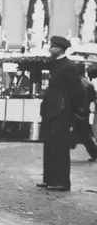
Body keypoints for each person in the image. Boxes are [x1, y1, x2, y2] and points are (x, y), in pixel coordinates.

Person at [37, 36, 85, 192]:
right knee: (49, 145)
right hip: (51, 110)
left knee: (60, 146)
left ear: (59, 48)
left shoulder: (68, 66)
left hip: (62, 111)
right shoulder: (54, 64)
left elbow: (77, 90)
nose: (50, 48)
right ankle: (49, 179)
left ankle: (61, 182)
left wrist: (73, 109)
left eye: (52, 46)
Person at [71, 63, 97, 161]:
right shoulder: (88, 83)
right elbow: (93, 97)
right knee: (84, 136)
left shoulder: (77, 82)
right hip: (85, 112)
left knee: (78, 134)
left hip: (77, 111)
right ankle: (95, 153)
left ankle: (64, 150)